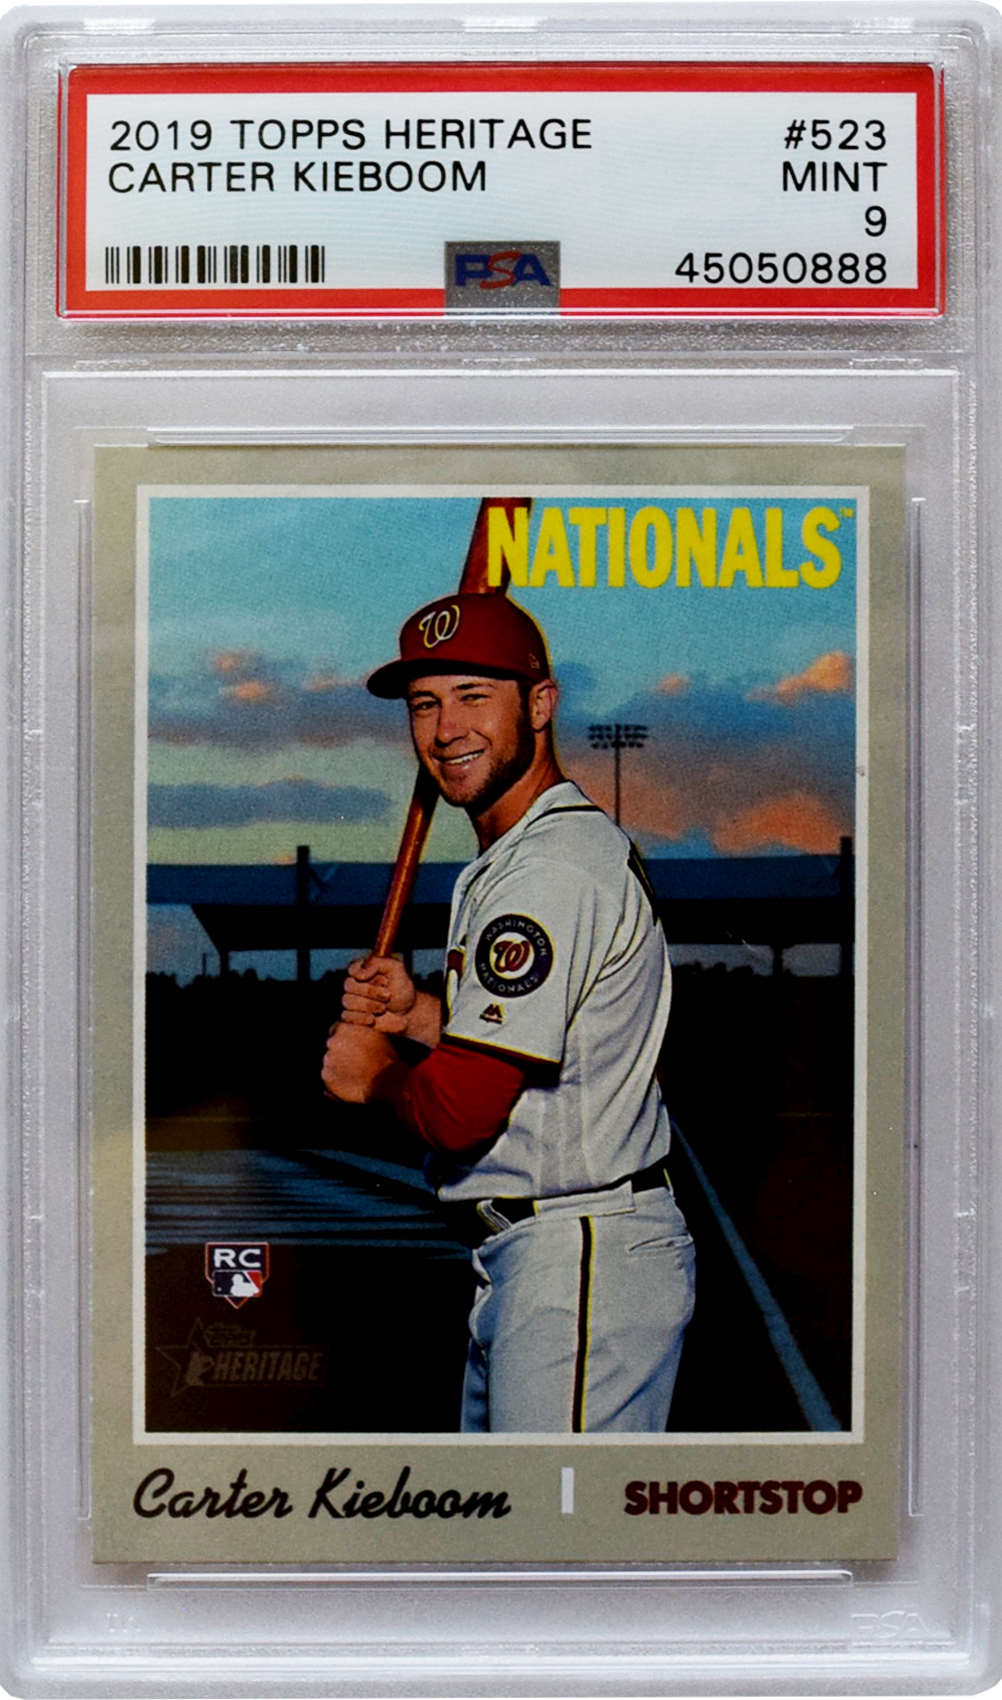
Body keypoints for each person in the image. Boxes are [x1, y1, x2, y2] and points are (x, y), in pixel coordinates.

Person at [322, 592, 695, 1433]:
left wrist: (376, 1078)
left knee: (557, 1517)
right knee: (516, 1513)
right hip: (546, 1257)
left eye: (473, 696)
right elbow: (560, 1036)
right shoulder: (534, 852)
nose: (445, 729)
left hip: (578, 1255)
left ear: (540, 704)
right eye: (425, 704)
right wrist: (423, 1015)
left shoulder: (546, 871)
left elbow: (461, 1111)